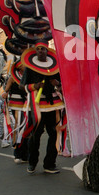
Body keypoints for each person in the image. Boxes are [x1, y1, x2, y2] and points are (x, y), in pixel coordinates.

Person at [20, 40, 64, 174]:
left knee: (53, 134)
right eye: (38, 49)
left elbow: (62, 84)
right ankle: (32, 162)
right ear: (35, 51)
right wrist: (35, 86)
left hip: (52, 105)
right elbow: (22, 86)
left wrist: (57, 83)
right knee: (35, 135)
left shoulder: (55, 67)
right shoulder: (29, 67)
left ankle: (49, 164)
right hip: (36, 105)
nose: (40, 51)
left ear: (47, 51)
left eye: (43, 49)